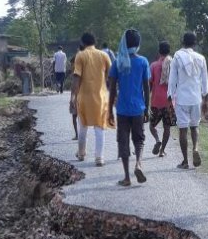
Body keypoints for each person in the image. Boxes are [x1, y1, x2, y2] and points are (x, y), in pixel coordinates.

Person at [108, 28, 150, 187]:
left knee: (123, 141)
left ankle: (126, 177)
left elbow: (111, 89)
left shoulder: (117, 62)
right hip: (138, 108)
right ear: (138, 44)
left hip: (122, 110)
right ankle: (139, 163)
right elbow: (146, 87)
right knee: (139, 139)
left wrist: (109, 111)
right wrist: (147, 108)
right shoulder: (143, 62)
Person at [167, 31, 208, 169]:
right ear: (195, 43)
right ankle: (195, 148)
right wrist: (206, 99)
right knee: (195, 126)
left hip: (181, 99)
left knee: (183, 130)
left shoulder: (177, 57)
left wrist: (169, 96)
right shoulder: (201, 58)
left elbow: (172, 79)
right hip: (196, 98)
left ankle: (185, 161)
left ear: (182, 42)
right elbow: (205, 81)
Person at [70, 32, 111, 166]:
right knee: (99, 128)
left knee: (83, 126)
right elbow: (111, 76)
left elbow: (76, 78)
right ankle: (99, 158)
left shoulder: (80, 56)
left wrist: (73, 97)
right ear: (95, 42)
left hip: (84, 97)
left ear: (82, 43)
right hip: (101, 97)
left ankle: (81, 153)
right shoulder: (104, 55)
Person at [149, 41, 176, 157]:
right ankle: (162, 151)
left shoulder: (154, 65)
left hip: (156, 101)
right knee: (167, 127)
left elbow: (149, 84)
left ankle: (157, 140)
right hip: (169, 102)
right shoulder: (173, 65)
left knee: (151, 125)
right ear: (169, 51)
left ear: (159, 51)